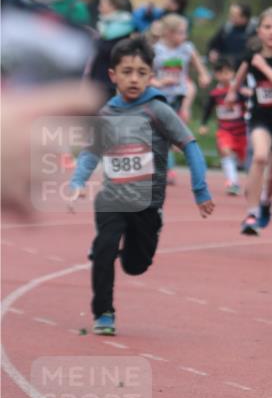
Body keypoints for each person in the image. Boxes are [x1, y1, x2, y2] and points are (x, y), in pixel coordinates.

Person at [66, 35, 215, 335]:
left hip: (147, 203)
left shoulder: (158, 111)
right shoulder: (107, 113)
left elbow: (190, 145)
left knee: (135, 265)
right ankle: (104, 312)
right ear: (113, 75)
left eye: (141, 73)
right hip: (113, 197)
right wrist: (78, 181)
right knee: (105, 248)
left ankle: (115, 253)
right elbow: (91, 150)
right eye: (127, 72)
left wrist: (200, 190)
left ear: (151, 76)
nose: (134, 79)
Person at [226, 7, 272, 235]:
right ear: (259, 31)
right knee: (259, 157)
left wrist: (264, 67)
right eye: (267, 27)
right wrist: (231, 95)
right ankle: (251, 213)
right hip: (261, 117)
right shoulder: (252, 56)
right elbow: (239, 77)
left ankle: (266, 200)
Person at [199, 59, 248, 196]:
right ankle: (232, 182)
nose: (225, 76)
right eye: (221, 73)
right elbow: (208, 109)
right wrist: (204, 124)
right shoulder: (215, 93)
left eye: (228, 72)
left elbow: (248, 104)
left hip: (242, 131)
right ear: (216, 75)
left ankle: (255, 184)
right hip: (225, 130)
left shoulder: (240, 90)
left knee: (246, 160)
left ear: (233, 73)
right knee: (225, 151)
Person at [152, 14, 210, 120]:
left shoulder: (187, 48)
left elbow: (200, 66)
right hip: (160, 96)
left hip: (180, 96)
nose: (185, 36)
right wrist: (159, 82)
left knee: (178, 130)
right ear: (168, 33)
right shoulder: (156, 50)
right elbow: (147, 76)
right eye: (181, 32)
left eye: (185, 32)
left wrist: (204, 76)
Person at [88, 0, 135, 99]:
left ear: (113, 7)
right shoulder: (106, 26)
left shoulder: (124, 29)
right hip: (97, 81)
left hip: (109, 84)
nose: (99, 8)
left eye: (102, 5)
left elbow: (111, 53)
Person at [206, 2, 252, 66]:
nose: (230, 17)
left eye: (234, 15)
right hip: (226, 68)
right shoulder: (226, 29)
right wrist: (212, 52)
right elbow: (213, 45)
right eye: (230, 14)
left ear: (244, 18)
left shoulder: (253, 30)